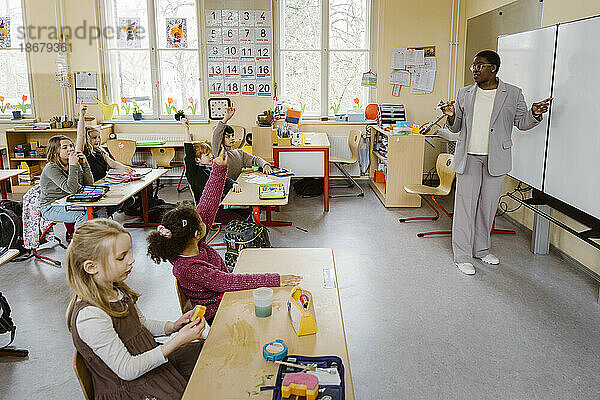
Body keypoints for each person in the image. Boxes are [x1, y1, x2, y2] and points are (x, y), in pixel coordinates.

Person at [147, 148, 302, 323]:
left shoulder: (189, 242)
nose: (205, 217)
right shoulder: (189, 268)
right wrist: (276, 279)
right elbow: (228, 282)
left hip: (226, 295)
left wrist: (219, 168)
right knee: (278, 305)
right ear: (198, 233)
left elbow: (208, 202)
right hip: (219, 313)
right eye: (202, 220)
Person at [66, 219, 206, 399]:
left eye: (129, 253)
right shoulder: (90, 316)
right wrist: (178, 340)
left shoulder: (116, 289)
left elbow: (140, 326)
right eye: (121, 257)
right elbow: (127, 369)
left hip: (148, 364)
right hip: (130, 387)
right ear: (91, 267)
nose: (131, 260)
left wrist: (173, 326)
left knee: (207, 353)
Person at [441, 50, 551, 275]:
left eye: (480, 65)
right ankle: (462, 255)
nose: (475, 70)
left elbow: (522, 122)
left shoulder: (512, 93)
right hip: (469, 158)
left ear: (494, 68)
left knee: (487, 207)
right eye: (474, 66)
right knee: (464, 208)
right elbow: (456, 127)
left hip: (496, 159)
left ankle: (481, 250)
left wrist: (535, 113)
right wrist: (452, 115)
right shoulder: (464, 93)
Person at [181, 117, 240, 202]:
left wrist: (233, 183)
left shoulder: (208, 169)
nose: (211, 156)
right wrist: (187, 129)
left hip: (218, 202)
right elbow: (189, 153)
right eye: (207, 155)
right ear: (197, 159)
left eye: (210, 154)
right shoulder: (193, 172)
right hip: (206, 208)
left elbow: (223, 179)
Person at [39, 135, 94, 228]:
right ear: (54, 152)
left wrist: (85, 164)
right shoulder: (51, 168)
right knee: (83, 216)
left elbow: (89, 185)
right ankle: (80, 242)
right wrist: (73, 165)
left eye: (71, 146)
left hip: (70, 201)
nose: (71, 149)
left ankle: (102, 239)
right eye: (65, 147)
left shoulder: (72, 163)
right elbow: (71, 189)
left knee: (98, 210)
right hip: (51, 206)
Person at [75, 102, 134, 181]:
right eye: (94, 138)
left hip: (103, 181)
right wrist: (82, 115)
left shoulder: (100, 151)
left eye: (99, 137)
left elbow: (113, 164)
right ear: (86, 139)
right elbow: (80, 135)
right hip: (92, 184)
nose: (98, 140)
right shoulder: (83, 151)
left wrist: (125, 168)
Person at [211, 107, 273, 180]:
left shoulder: (240, 153)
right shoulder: (220, 154)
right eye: (228, 137)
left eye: (232, 136)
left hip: (235, 186)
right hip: (223, 189)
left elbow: (255, 160)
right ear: (221, 139)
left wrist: (265, 165)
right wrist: (226, 118)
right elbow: (216, 135)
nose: (232, 138)